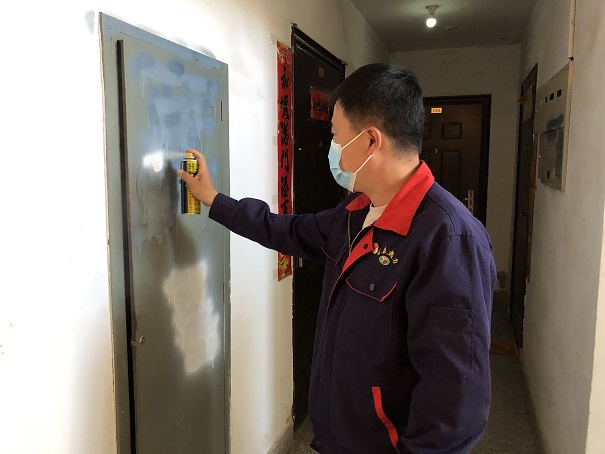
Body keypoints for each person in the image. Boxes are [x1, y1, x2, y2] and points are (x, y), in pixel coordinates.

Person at [178, 63, 496, 453]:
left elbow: (456, 400)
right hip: (340, 439)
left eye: (335, 135)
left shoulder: (448, 239)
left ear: (370, 141)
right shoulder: (357, 211)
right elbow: (289, 230)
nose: (333, 148)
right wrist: (214, 200)